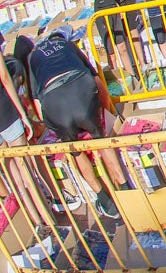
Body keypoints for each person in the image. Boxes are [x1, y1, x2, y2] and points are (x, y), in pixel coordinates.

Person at [13, 31, 127, 219]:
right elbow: (98, 82)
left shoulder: (33, 58)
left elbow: (39, 107)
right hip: (81, 88)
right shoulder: (68, 46)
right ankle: (124, 187)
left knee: (74, 150)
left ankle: (105, 200)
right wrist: (104, 112)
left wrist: (56, 128)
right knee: (101, 141)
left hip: (55, 102)